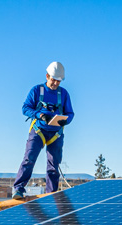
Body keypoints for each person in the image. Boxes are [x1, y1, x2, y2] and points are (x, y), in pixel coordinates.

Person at [12, 61, 75, 199]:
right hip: (38, 130)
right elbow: (25, 108)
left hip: (56, 134)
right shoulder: (37, 90)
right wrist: (40, 115)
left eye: (58, 81)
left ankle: (51, 194)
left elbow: (70, 114)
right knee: (29, 158)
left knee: (54, 164)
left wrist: (65, 120)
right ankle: (18, 189)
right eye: (53, 80)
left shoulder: (63, 94)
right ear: (47, 76)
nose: (55, 83)